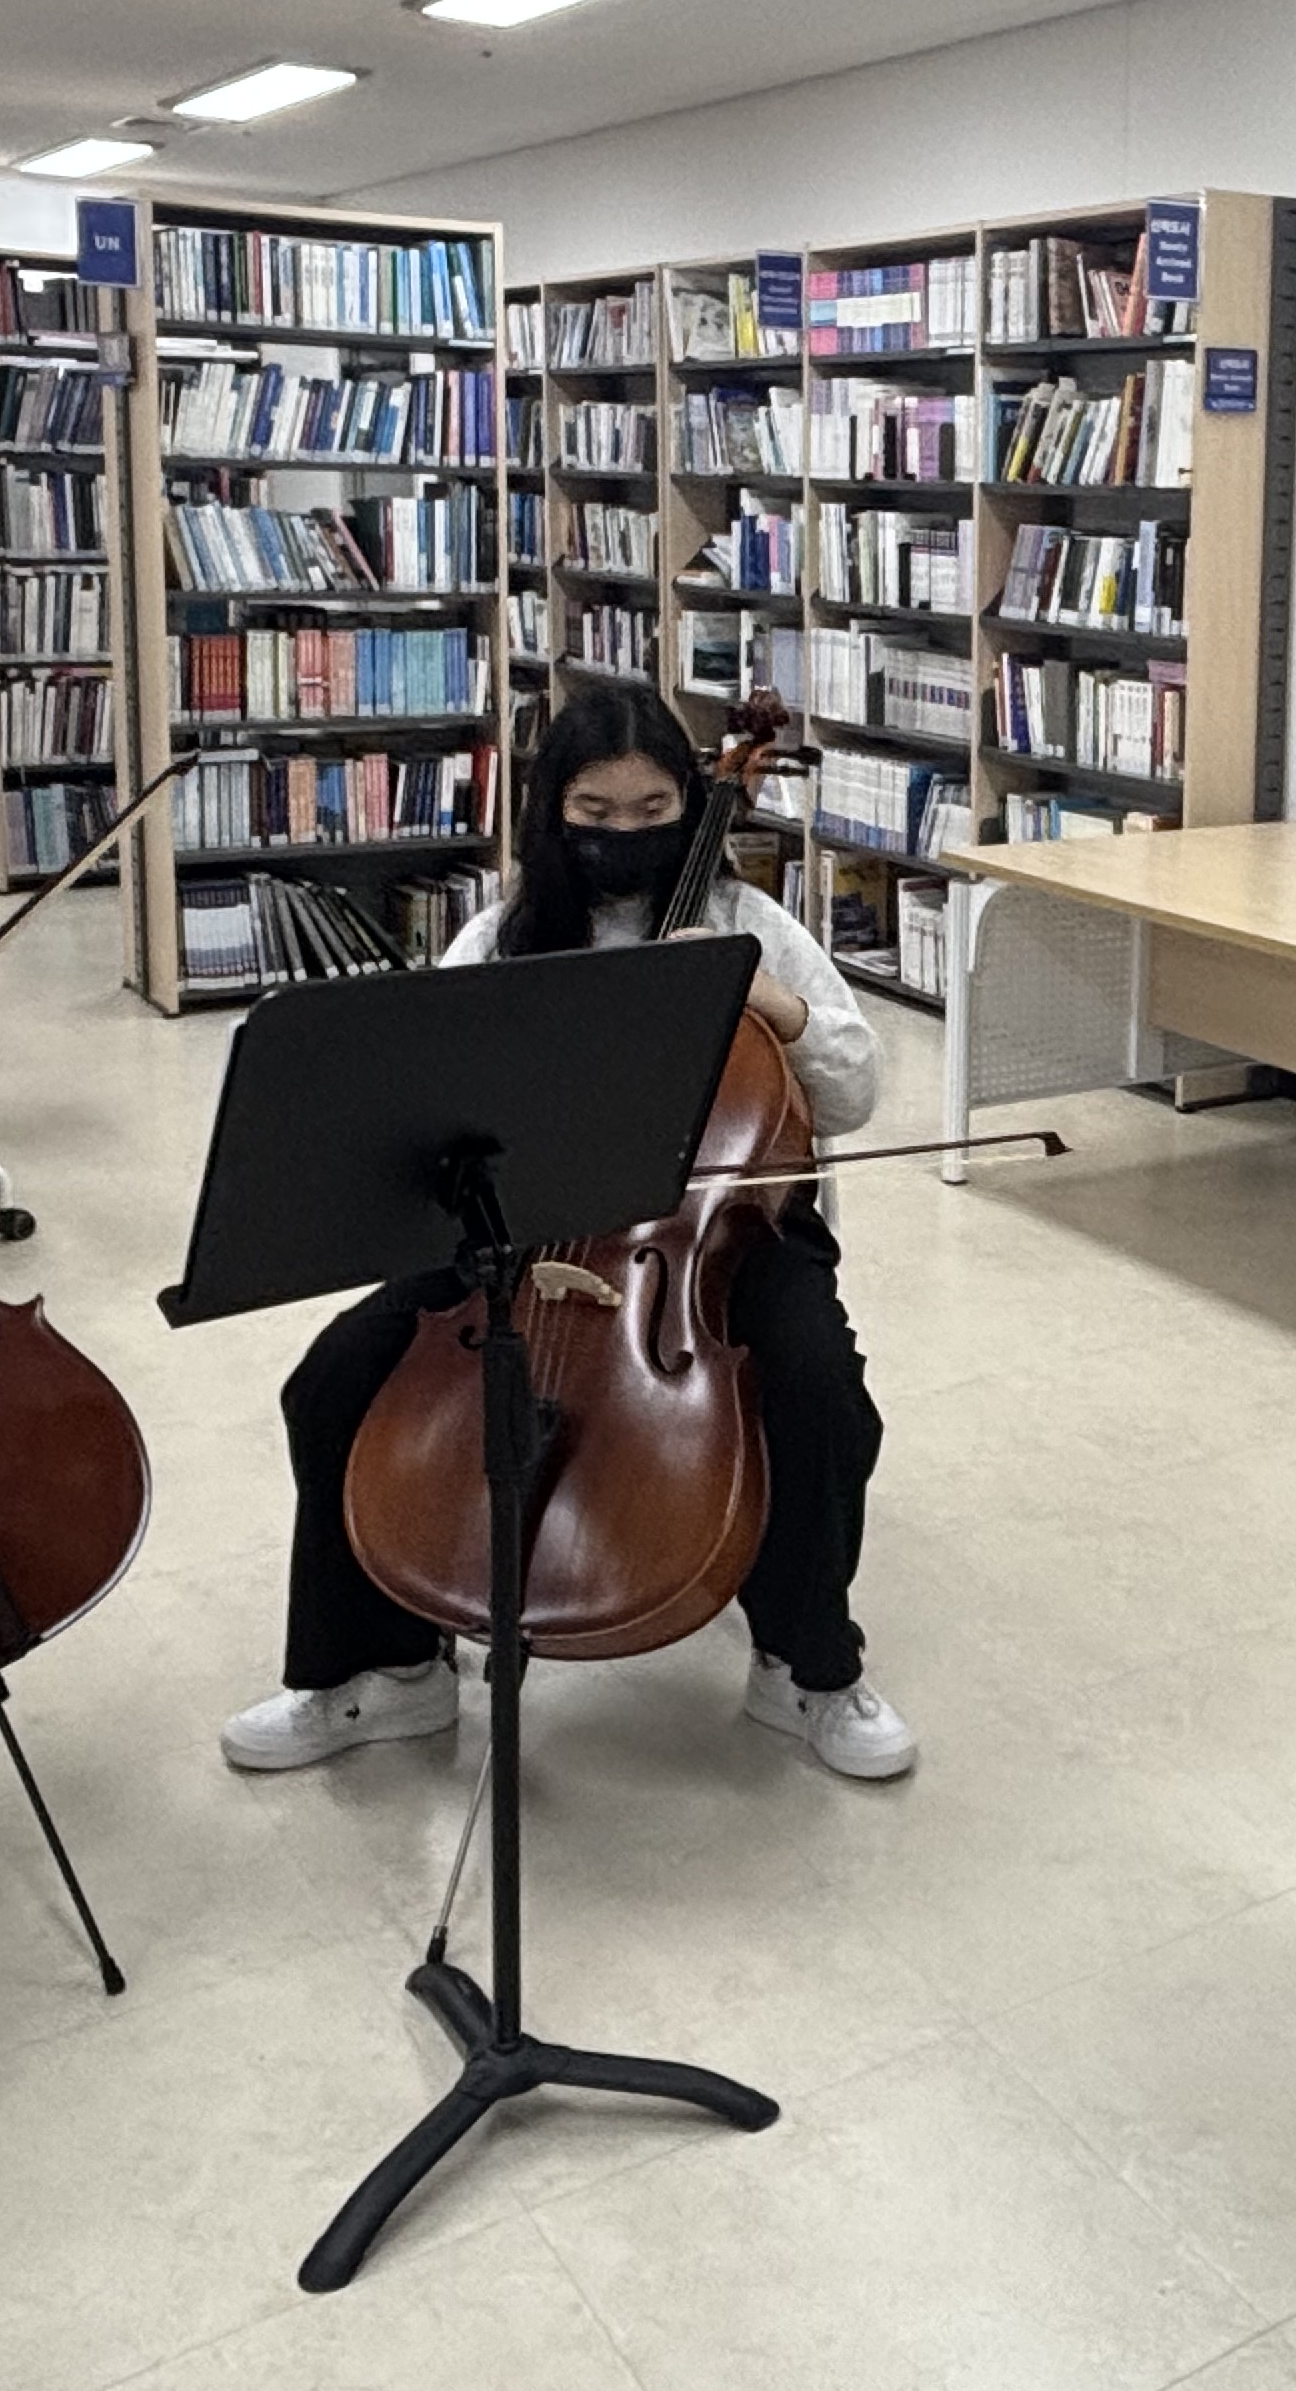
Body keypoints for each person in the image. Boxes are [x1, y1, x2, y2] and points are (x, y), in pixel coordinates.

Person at [219, 679, 914, 1782]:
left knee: (816, 1385)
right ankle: (387, 1671)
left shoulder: (748, 925)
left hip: (717, 1237)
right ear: (553, 812)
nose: (624, 836)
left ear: (690, 804)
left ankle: (807, 1665)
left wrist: (778, 1009)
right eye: (596, 815)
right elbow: (426, 1103)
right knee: (336, 1377)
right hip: (522, 1233)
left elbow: (856, 1090)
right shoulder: (500, 937)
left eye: (652, 812)